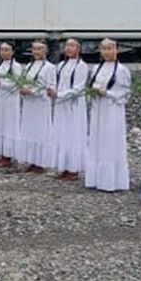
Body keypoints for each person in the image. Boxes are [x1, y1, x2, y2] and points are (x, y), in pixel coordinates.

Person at [84, 38, 131, 192]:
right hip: (98, 108)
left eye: (109, 48)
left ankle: (112, 181)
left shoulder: (121, 70)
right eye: (103, 49)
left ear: (116, 50)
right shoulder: (96, 68)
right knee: (97, 139)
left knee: (110, 141)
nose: (106, 52)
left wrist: (108, 93)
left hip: (112, 110)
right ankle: (96, 178)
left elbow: (126, 94)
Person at [49, 38, 89, 181]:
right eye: (67, 45)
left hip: (74, 105)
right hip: (61, 104)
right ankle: (63, 166)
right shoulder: (61, 65)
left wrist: (60, 94)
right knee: (62, 133)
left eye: (72, 46)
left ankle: (74, 168)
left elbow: (78, 88)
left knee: (73, 134)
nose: (68, 48)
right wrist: (52, 91)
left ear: (79, 49)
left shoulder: (81, 66)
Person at [16, 40, 56, 174]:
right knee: (29, 131)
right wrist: (22, 90)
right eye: (34, 49)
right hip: (29, 104)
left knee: (40, 132)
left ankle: (41, 162)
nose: (37, 52)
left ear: (46, 51)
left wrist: (33, 91)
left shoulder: (49, 67)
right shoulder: (28, 66)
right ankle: (31, 160)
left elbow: (50, 86)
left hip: (40, 104)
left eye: (40, 49)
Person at [0, 42, 23, 168]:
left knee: (9, 126)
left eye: (7, 50)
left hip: (10, 100)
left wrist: (0, 83)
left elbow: (16, 84)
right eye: (2, 50)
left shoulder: (16, 67)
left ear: (12, 52)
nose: (4, 52)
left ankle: (8, 155)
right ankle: (1, 153)